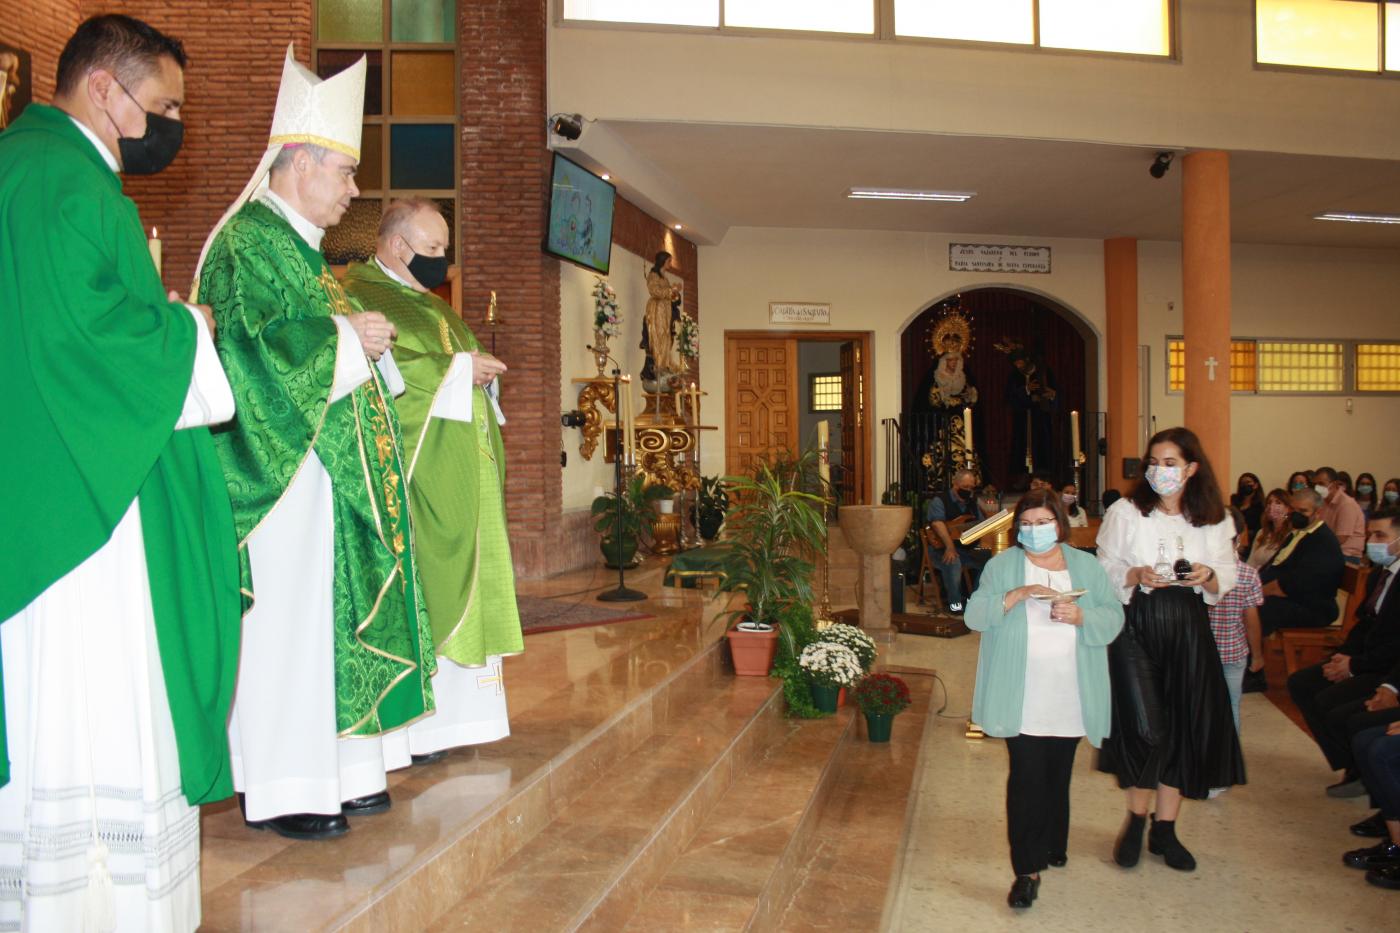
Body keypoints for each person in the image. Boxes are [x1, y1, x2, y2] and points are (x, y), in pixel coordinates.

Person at [0, 15, 241, 929]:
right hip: (82, 514)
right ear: (104, 87)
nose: (170, 122)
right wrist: (191, 332)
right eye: (163, 103)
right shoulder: (64, 180)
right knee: (92, 704)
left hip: (41, 485)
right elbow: (82, 340)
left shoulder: (24, 165)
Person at [196, 46, 436, 841]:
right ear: (297, 163)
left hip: (326, 476)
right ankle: (285, 785)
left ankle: (343, 768)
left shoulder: (304, 252)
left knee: (329, 623)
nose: (353, 190)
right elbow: (249, 353)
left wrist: (360, 342)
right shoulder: (244, 246)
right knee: (291, 627)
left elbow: (329, 341)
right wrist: (343, 339)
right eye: (343, 171)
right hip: (282, 479)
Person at [342, 199, 525, 760]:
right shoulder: (361, 296)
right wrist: (457, 372)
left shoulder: (436, 308)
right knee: (429, 583)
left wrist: (477, 374)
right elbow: (389, 376)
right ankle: (421, 727)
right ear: (398, 246)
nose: (443, 263)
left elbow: (452, 362)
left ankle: (457, 724)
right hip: (421, 478)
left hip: (462, 472)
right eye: (434, 249)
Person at [966, 489, 1124, 910]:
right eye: (1028, 524)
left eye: (1043, 522)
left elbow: (1114, 616)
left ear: (1059, 523)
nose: (1035, 531)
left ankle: (1054, 841)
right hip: (1023, 692)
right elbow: (974, 615)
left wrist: (1083, 616)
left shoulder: (1086, 566)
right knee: (1026, 778)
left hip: (1071, 691)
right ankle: (1027, 870)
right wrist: (1014, 595)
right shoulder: (1003, 566)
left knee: (1057, 773)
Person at [1095, 426, 1243, 872]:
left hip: (1187, 626)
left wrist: (1206, 574)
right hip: (1136, 623)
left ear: (1192, 468)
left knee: (1181, 727)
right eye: (1154, 462)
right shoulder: (1126, 511)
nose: (1160, 471)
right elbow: (1103, 565)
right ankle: (1136, 821)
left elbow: (1226, 571)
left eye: (1171, 463)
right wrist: (1134, 573)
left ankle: (1166, 829)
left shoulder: (1214, 516)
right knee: (1146, 728)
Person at [1285, 510, 1400, 797]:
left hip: (1387, 667)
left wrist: (1354, 666)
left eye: (1381, 536)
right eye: (1370, 534)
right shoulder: (1379, 575)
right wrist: (1342, 657)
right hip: (1366, 659)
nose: (1371, 542)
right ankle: (1352, 765)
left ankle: (1367, 772)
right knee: (1302, 683)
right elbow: (1364, 624)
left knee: (1334, 707)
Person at [1257, 489, 1345, 636]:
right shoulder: (1298, 533)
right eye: (1293, 509)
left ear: (1318, 512)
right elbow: (1276, 567)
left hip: (1313, 607)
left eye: (1303, 511)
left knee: (1254, 608)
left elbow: (1289, 585)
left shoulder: (1321, 542)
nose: (1296, 515)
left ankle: (1250, 655)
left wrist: (1252, 595)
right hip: (1291, 598)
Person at [1209, 508, 1265, 728]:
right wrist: (1257, 654)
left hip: (1203, 651)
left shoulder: (1198, 574)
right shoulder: (1248, 574)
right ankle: (1230, 756)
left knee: (1202, 703)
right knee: (1231, 704)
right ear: (1238, 539)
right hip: (1233, 651)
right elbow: (1251, 619)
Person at [924, 468, 990, 614]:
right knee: (953, 560)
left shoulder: (972, 502)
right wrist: (949, 546)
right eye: (965, 487)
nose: (968, 491)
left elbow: (982, 524)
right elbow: (937, 523)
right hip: (940, 549)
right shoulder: (940, 501)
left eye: (971, 488)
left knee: (991, 559)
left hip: (966, 549)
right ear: (955, 484)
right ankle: (955, 604)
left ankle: (974, 600)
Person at [1315, 466, 1366, 565]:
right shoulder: (1323, 502)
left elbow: (1341, 538)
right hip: (1329, 551)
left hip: (1346, 555)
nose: (1317, 487)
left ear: (1334, 484)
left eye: (1321, 484)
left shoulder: (1346, 504)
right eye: (1316, 484)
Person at [1248, 488, 1292, 570]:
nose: (1272, 506)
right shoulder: (1261, 533)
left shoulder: (1291, 535)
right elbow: (1251, 561)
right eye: (1269, 502)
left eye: (1278, 503)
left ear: (1288, 509)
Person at [1230, 472, 1264, 545]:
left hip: (1251, 542)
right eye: (1242, 483)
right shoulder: (1234, 501)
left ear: (1256, 485)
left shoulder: (1261, 506)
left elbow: (1260, 528)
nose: (1245, 485)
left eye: (1248, 482)